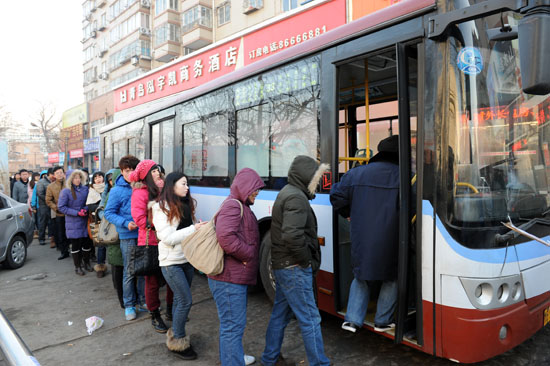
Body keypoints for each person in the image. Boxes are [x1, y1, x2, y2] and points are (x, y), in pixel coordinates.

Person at [261, 156, 330, 366]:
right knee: (310, 318)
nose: (317, 183)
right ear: (306, 177)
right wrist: (305, 261)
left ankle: (269, 358)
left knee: (280, 314)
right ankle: (319, 363)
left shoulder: (289, 192)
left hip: (284, 266)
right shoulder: (296, 198)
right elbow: (292, 236)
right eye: (316, 178)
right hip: (293, 267)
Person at [330, 135, 400, 333]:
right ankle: (382, 321)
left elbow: (337, 197)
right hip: (392, 236)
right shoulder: (405, 176)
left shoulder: (356, 173)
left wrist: (348, 214)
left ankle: (352, 320)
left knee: (361, 275)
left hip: (363, 235)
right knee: (392, 277)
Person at [208, 168, 265, 366]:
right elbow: (225, 237)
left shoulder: (240, 205)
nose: (257, 193)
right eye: (255, 189)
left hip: (230, 278)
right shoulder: (233, 206)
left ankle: (234, 357)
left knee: (232, 326)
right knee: (232, 327)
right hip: (228, 279)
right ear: (245, 188)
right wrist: (249, 254)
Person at [152, 172, 208, 360]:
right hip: (171, 262)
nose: (187, 187)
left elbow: (187, 232)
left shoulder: (185, 204)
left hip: (187, 260)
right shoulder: (161, 208)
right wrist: (193, 229)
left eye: (187, 184)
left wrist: (198, 228)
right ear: (172, 186)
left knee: (179, 300)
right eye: (183, 184)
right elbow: (166, 238)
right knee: (185, 300)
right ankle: (178, 339)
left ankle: (176, 333)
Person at [129, 160, 172, 333]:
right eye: (153, 171)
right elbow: (139, 219)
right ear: (146, 175)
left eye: (157, 170)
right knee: (152, 282)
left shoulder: (165, 188)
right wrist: (161, 224)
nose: (157, 173)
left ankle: (171, 309)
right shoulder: (140, 193)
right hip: (151, 241)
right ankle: (155, 314)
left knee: (172, 279)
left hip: (168, 240)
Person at [104, 155, 146, 321]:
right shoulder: (116, 190)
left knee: (143, 271)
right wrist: (125, 223)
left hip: (143, 234)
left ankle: (143, 301)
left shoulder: (142, 187)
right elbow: (108, 213)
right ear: (121, 172)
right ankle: (129, 305)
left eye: (132, 170)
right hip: (127, 236)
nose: (130, 173)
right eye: (126, 171)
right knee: (129, 271)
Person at [58, 170, 91, 276]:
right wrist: (76, 213)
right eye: (75, 178)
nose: (77, 180)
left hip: (85, 220)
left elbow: (90, 202)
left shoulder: (85, 189)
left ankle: (86, 262)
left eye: (79, 177)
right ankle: (77, 266)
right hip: (73, 222)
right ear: (70, 179)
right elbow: (61, 207)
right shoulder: (65, 191)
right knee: (76, 245)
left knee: (87, 243)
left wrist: (85, 209)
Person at [46, 166, 71, 260]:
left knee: (71, 232)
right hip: (59, 213)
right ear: (54, 175)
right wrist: (56, 208)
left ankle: (73, 248)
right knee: (61, 233)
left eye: (61, 172)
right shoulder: (50, 186)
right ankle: (64, 251)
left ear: (64, 173)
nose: (59, 174)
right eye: (57, 173)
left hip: (70, 212)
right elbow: (48, 200)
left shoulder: (69, 184)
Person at [87, 171, 107, 278]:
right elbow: (90, 207)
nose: (98, 179)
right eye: (95, 178)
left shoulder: (109, 188)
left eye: (100, 176)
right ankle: (100, 266)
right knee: (101, 245)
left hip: (111, 220)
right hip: (99, 221)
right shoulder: (92, 191)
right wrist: (100, 209)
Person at [37, 168, 56, 248]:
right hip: (44, 205)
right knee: (43, 222)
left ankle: (52, 239)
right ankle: (41, 238)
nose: (54, 176)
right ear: (49, 174)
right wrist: (49, 199)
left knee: (52, 223)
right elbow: (40, 194)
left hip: (52, 205)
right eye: (53, 174)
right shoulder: (41, 182)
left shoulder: (55, 182)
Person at [28, 172, 41, 238]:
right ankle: (35, 232)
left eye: (38, 176)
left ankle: (39, 231)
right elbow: (31, 194)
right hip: (32, 202)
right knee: (34, 219)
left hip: (38, 203)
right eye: (36, 176)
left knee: (38, 219)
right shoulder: (31, 183)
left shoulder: (40, 183)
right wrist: (33, 205)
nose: (38, 177)